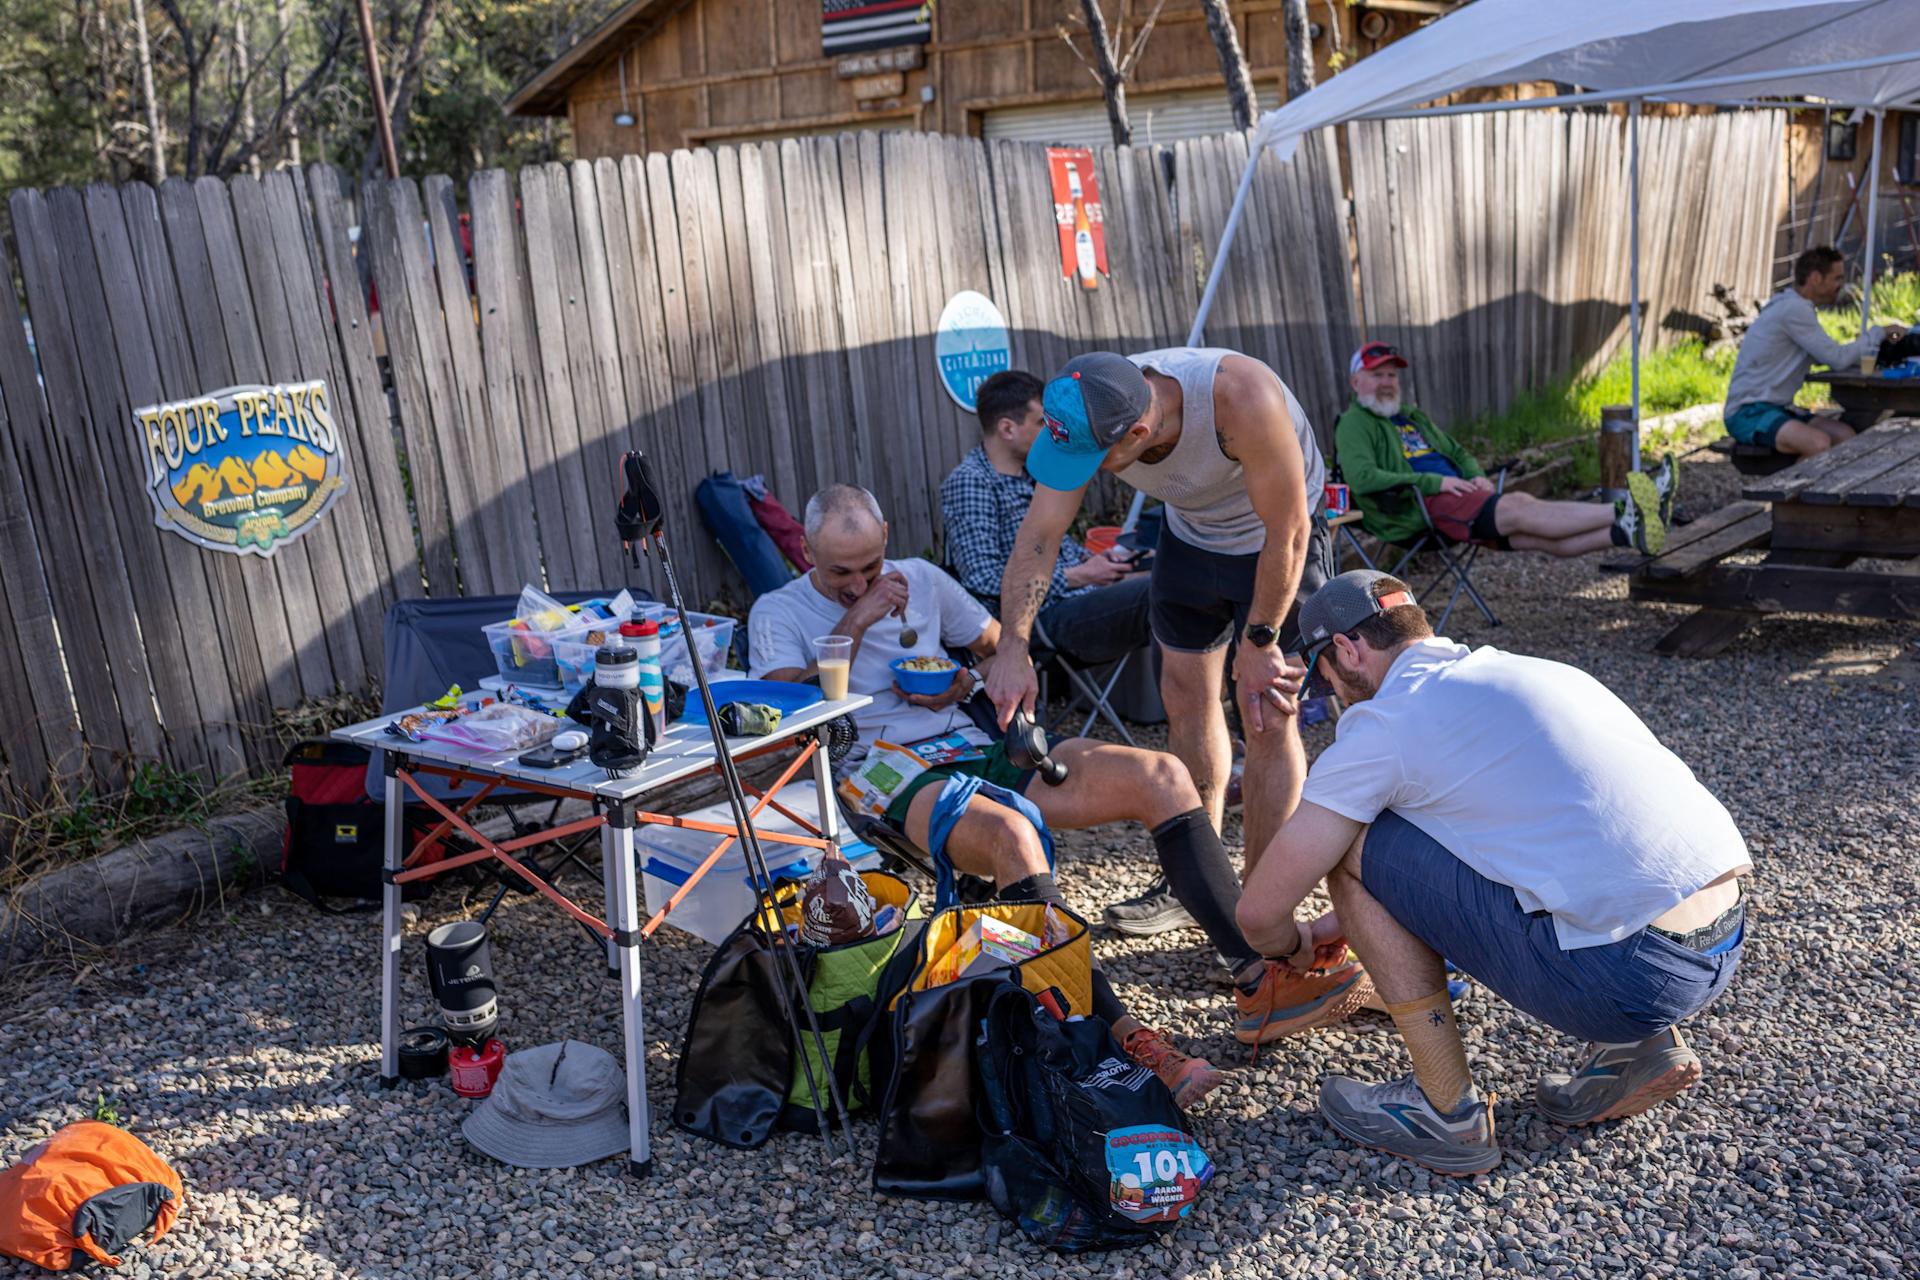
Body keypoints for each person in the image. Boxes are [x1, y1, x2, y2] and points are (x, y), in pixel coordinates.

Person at [748, 485, 1375, 1104]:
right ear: (804, 550)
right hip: (881, 769)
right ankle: (1126, 1040)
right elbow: (782, 718)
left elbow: (999, 644)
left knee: (1163, 776)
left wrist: (967, 678)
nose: (858, 583)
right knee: (1012, 838)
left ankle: (1258, 980)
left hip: (973, 743)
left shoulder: (921, 578)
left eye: (869, 567)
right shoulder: (779, 611)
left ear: (887, 540)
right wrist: (856, 620)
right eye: (839, 572)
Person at [1236, 571, 1751, 1175]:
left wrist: (1294, 946)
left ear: (1347, 650)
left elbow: (1259, 913)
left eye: (1323, 671)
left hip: (1626, 979)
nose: (1331, 688)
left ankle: (1444, 1111)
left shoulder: (1386, 722)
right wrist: (1346, 923)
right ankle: (1642, 1048)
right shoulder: (1535, 671)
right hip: (1724, 935)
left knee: (1348, 845)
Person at [986, 349, 1330, 901]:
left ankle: (1264, 907)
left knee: (1266, 714)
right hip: (1191, 536)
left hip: (1276, 544)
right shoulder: (1095, 405)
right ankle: (1196, 883)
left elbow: (1289, 530)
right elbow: (1039, 537)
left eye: (1097, 459)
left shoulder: (1239, 397)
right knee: (1185, 698)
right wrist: (1013, 644)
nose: (1090, 472)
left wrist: (1261, 639)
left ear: (1139, 432)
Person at [942, 370, 1190, 936]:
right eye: (1038, 422)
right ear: (1007, 428)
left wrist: (1104, 564)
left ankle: (1210, 730)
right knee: (1167, 591)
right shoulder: (969, 483)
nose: (1051, 432)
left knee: (1164, 567)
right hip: (1031, 625)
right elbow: (981, 579)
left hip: (1078, 593)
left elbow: (1066, 548)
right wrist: (1084, 573)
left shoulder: (1037, 475)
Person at [1336, 341, 1674, 556]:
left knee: (1534, 537)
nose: (1386, 383)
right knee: (1518, 506)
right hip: (1418, 506)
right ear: (1356, 382)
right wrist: (1435, 483)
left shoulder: (1411, 416)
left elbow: (1458, 453)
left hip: (1457, 494)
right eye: (1377, 375)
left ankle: (1626, 532)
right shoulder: (1355, 423)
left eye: (1391, 376)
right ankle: (1626, 508)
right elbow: (1362, 478)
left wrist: (1475, 475)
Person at [1724, 245, 1907, 458]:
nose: (1841, 285)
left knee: (1845, 436)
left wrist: (1879, 354)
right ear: (1815, 278)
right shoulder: (1794, 310)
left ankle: (1819, 488)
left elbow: (1830, 355)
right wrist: (1878, 332)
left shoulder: (1796, 307)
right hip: (1748, 412)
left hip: (1778, 407)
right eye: (1837, 278)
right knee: (1818, 444)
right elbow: (1838, 359)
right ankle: (1791, 491)